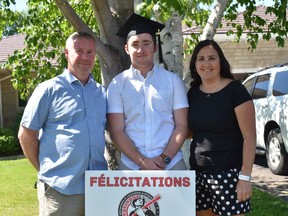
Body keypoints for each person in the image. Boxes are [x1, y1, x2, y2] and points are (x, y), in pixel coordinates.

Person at [18, 31, 108, 216]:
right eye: (79, 51)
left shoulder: (102, 93)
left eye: (90, 52)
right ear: (67, 53)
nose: (85, 57)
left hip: (98, 188)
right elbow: (26, 134)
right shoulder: (48, 90)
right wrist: (44, 170)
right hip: (60, 190)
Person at [107, 13, 189, 170]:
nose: (141, 49)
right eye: (135, 44)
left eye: (146, 43)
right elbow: (116, 131)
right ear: (126, 48)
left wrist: (163, 159)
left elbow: (182, 125)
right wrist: (142, 161)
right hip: (131, 165)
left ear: (155, 47)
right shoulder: (117, 84)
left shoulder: (172, 81)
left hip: (171, 164)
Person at [187, 39, 256, 216]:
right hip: (198, 174)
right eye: (200, 59)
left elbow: (249, 138)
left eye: (212, 58)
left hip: (229, 175)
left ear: (221, 62)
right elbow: (190, 131)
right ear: (195, 65)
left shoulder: (235, 90)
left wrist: (245, 177)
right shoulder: (193, 93)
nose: (206, 63)